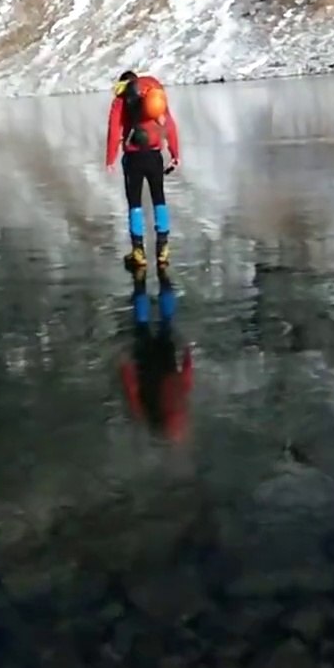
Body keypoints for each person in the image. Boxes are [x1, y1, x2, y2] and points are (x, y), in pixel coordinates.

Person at [105, 70, 181, 269]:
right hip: (154, 156)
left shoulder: (121, 101)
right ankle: (163, 249)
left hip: (133, 158)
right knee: (159, 198)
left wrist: (110, 159)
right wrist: (175, 154)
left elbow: (114, 130)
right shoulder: (154, 98)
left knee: (135, 202)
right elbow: (170, 127)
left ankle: (138, 252)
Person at [119, 267, 193, 441]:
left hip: (159, 360)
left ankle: (160, 275)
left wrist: (187, 354)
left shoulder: (147, 411)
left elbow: (186, 383)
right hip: (153, 361)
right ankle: (145, 277)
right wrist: (125, 367)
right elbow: (131, 388)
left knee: (163, 324)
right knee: (146, 325)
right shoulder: (145, 412)